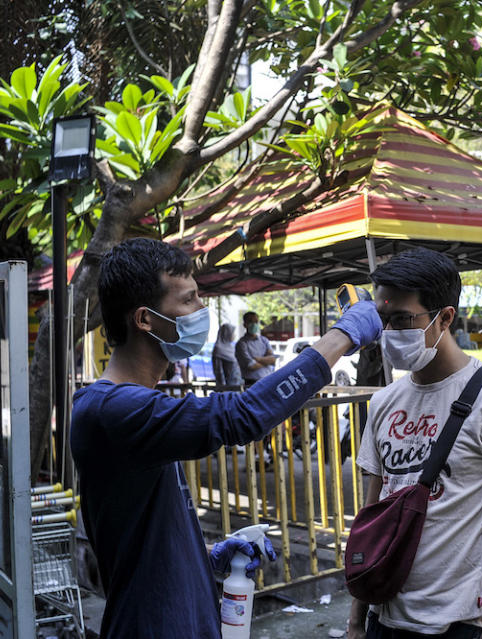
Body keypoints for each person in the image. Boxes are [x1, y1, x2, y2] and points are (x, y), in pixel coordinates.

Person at [71, 238, 381, 637]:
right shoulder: (112, 410)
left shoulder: (134, 408)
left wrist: (205, 556)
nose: (202, 311)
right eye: (188, 301)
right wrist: (344, 334)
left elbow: (141, 537)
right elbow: (242, 415)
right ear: (144, 320)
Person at [347, 248, 482, 639]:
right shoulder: (383, 402)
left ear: (445, 317)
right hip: (383, 620)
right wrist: (355, 622)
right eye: (382, 320)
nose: (389, 332)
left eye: (402, 319)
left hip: (458, 624)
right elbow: (371, 515)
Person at [235, 311, 276, 386]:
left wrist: (258, 359)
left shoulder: (264, 340)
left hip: (268, 380)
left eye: (256, 322)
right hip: (251, 383)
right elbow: (251, 366)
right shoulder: (241, 344)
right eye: (250, 321)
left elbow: (273, 360)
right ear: (245, 325)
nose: (254, 324)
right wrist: (267, 361)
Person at [212, 323, 241, 388]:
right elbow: (218, 371)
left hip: (237, 384)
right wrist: (223, 388)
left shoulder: (232, 347)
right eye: (232, 333)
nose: (234, 335)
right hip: (227, 387)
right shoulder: (219, 349)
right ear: (227, 333)